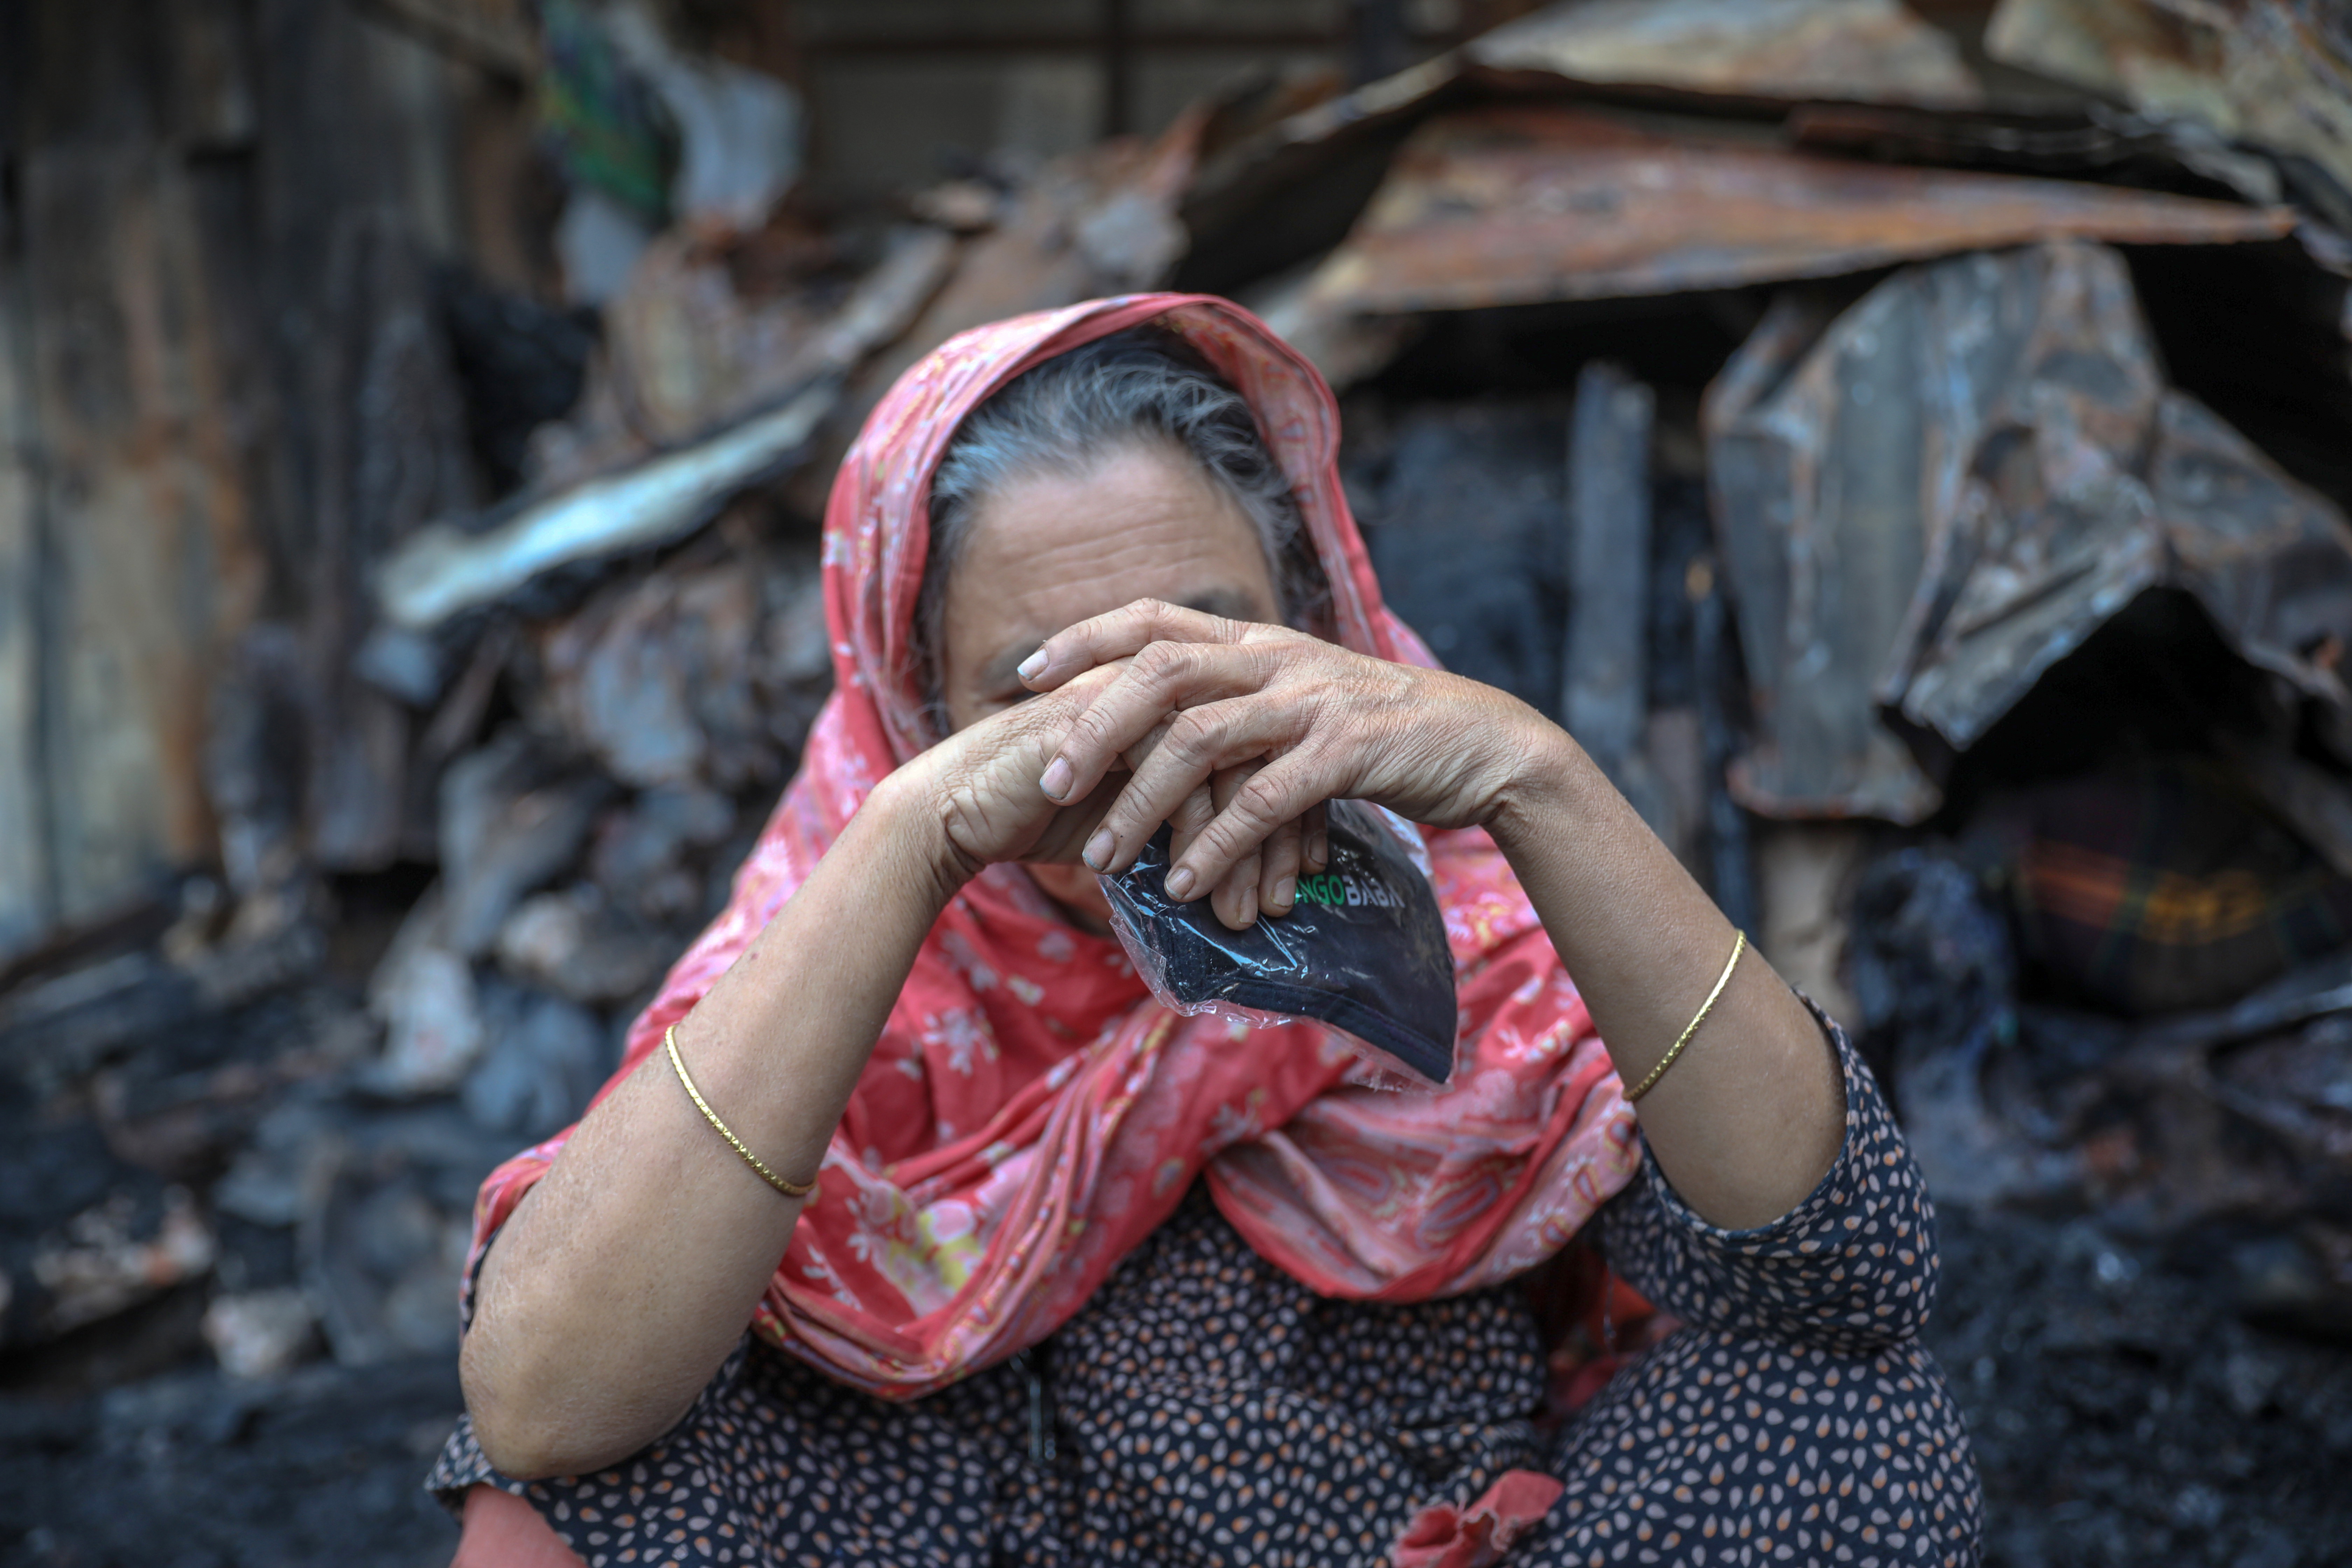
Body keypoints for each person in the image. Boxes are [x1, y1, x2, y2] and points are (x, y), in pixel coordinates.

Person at [431, 295, 1981, 1567]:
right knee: (592, 1474)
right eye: (1043, 688)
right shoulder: (865, 958)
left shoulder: (1469, 906)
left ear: (1315, 629)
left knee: (1842, 1403)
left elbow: (1844, 1277)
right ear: (914, 706)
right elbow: (541, 1413)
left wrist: (1532, 772)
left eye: (1204, 652)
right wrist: (914, 835)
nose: (1145, 744)